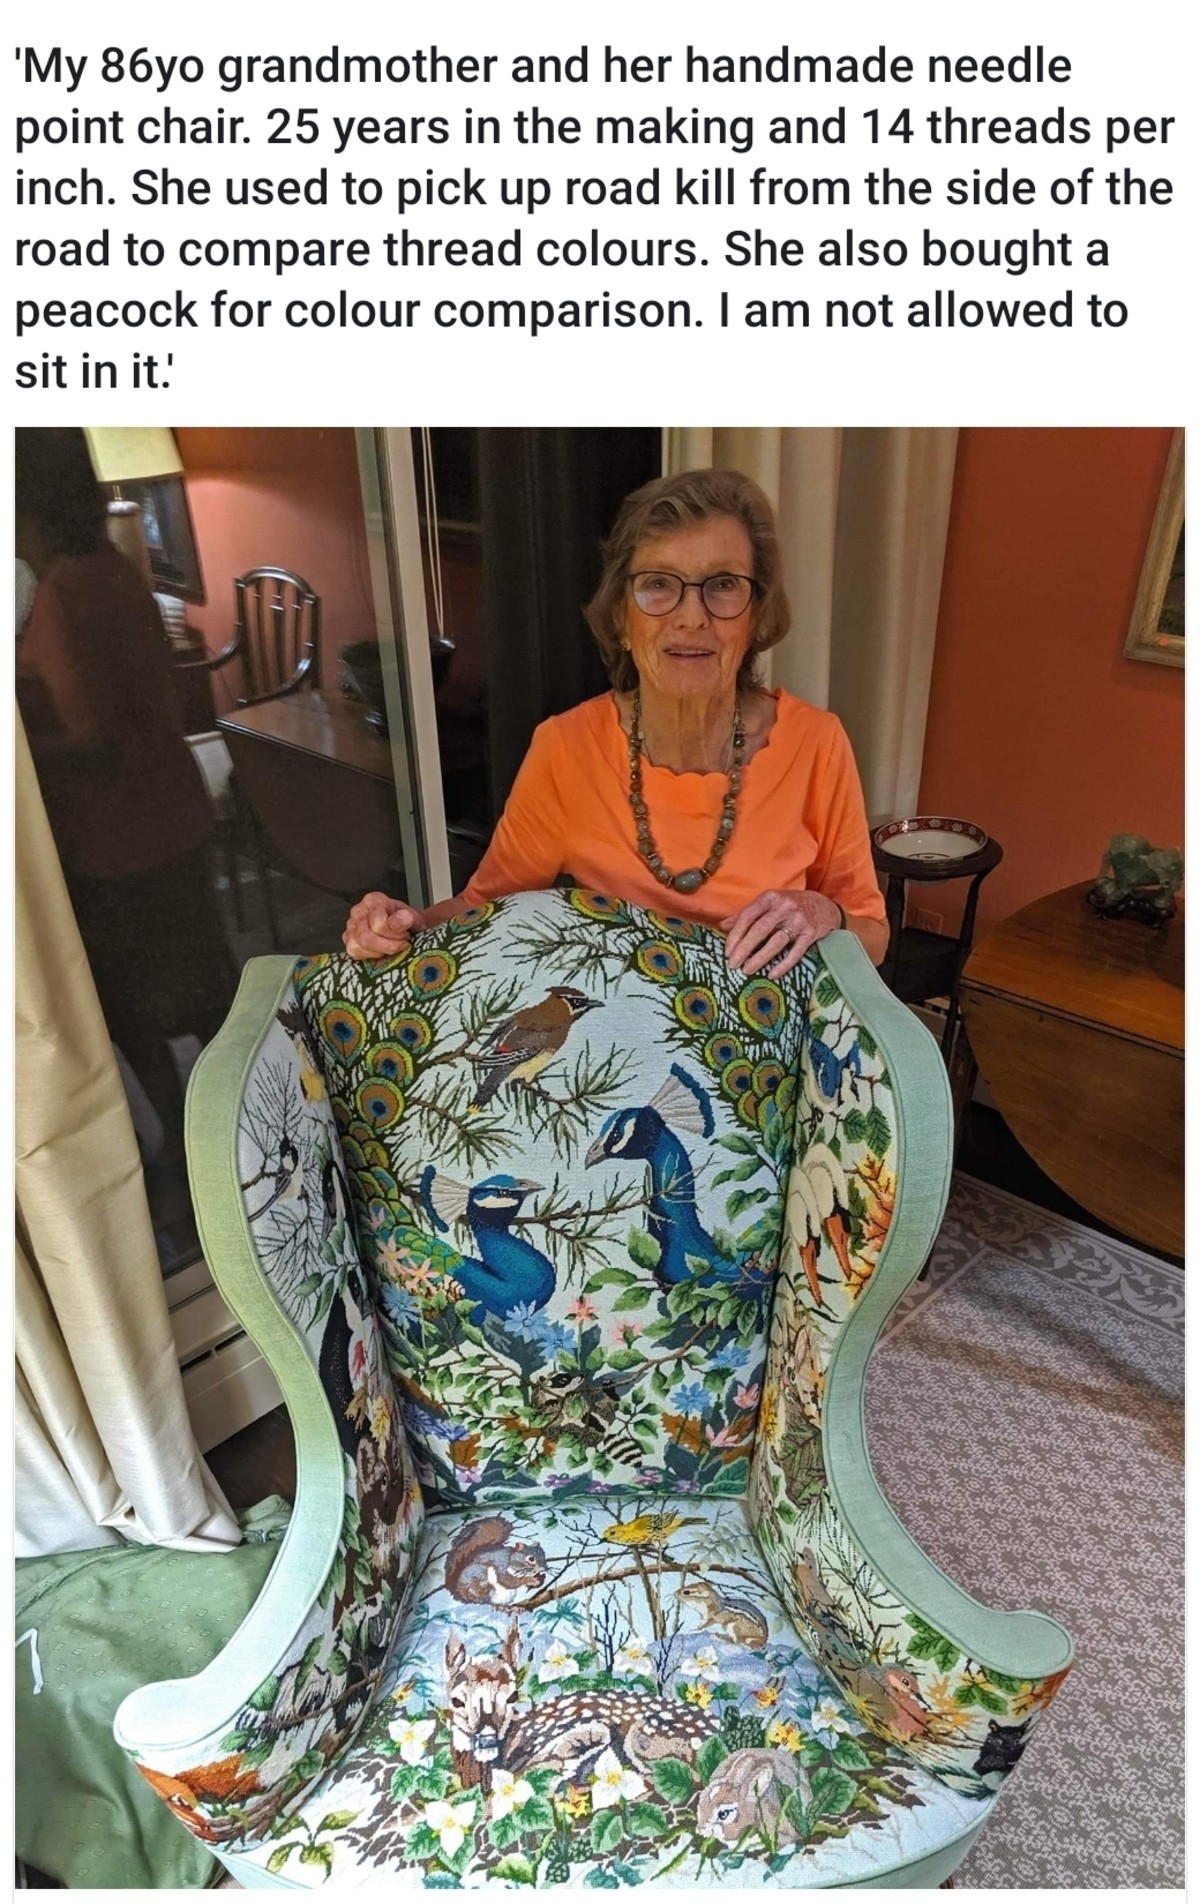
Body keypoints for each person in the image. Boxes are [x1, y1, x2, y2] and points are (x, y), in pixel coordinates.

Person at [343, 467, 889, 974]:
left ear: (756, 617)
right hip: (617, 1032)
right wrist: (401, 925)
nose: (691, 616)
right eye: (659, 584)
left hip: (768, 1031)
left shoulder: (817, 743)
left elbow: (872, 932)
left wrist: (827, 913)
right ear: (622, 617)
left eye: (723, 584)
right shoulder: (566, 749)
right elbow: (483, 908)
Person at [16, 427, 236, 1159]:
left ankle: (179, 1147)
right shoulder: (115, 568)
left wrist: (24, 754)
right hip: (171, 811)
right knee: (205, 988)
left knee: (133, 1007)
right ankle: (241, 1121)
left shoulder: (64, 593)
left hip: (118, 836)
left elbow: (97, 739)